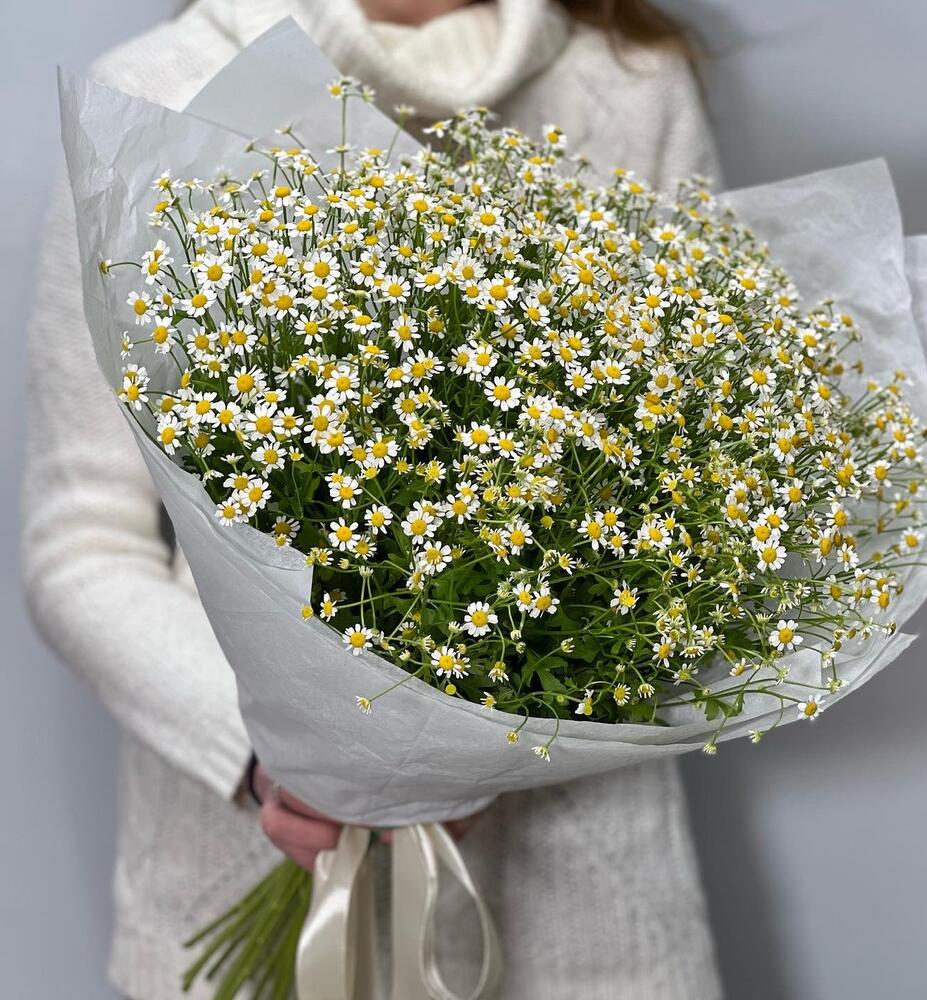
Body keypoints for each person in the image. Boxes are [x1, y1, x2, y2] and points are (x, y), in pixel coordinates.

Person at [22, 1, 723, 996]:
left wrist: (508, 714)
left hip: (591, 917)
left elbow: (694, 506)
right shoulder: (155, 89)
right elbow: (83, 545)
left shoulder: (630, 85)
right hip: (239, 861)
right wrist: (286, 750)